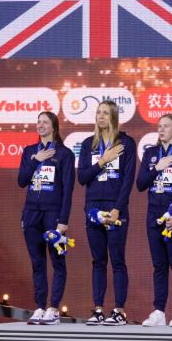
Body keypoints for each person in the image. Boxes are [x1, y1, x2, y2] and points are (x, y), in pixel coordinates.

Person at [77, 100, 137, 326]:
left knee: (117, 260)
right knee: (98, 261)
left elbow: (128, 180)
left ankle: (119, 311)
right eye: (98, 112)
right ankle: (98, 310)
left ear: (113, 116)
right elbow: (82, 178)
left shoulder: (126, 143)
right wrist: (103, 160)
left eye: (105, 113)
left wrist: (117, 208)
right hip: (93, 208)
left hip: (115, 208)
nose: (100, 116)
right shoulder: (88, 144)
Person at [136, 114, 172, 327]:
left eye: (166, 126)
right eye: (159, 126)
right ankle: (159, 311)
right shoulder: (151, 153)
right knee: (159, 265)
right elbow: (140, 184)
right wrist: (157, 168)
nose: (161, 129)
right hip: (154, 215)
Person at [17, 111, 75, 326]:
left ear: (54, 126)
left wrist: (63, 220)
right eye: (38, 122)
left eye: (44, 122)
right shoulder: (29, 151)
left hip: (53, 215)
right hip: (31, 213)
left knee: (58, 262)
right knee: (37, 263)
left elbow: (68, 190)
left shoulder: (65, 154)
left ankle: (54, 308)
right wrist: (35, 161)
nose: (40, 125)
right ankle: (40, 306)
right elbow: (22, 181)